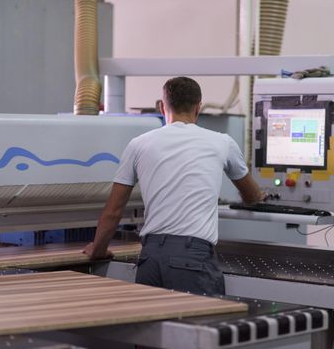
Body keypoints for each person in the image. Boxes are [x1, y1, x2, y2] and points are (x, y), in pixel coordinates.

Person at [83, 76, 263, 295]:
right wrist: (260, 196)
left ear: (161, 106)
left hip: (150, 258)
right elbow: (252, 195)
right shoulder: (222, 142)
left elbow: (113, 211)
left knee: (151, 328)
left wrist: (98, 250)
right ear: (199, 107)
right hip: (192, 259)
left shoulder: (138, 144)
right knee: (200, 327)